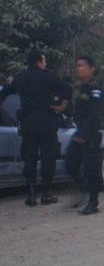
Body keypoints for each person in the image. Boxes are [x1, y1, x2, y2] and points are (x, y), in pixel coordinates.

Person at [0, 49, 71, 206]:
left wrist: (9, 83)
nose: (45, 63)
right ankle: (46, 193)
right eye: (44, 61)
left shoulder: (21, 78)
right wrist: (61, 108)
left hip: (28, 124)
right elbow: (68, 89)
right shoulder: (49, 76)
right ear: (39, 62)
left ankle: (31, 195)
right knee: (48, 158)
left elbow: (5, 92)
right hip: (47, 123)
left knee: (29, 159)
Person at [65, 56, 104, 215]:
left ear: (91, 68)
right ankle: (84, 190)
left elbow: (95, 115)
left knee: (91, 169)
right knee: (70, 163)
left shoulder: (96, 88)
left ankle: (93, 203)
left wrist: (84, 134)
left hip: (90, 134)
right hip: (80, 132)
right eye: (77, 65)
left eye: (81, 65)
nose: (78, 68)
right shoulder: (83, 88)